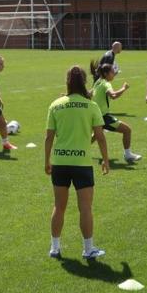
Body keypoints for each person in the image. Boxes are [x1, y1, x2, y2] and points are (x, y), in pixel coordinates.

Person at [44, 65, 110, 260]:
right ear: (84, 82)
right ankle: (88, 249)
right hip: (82, 163)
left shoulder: (56, 104)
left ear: (67, 82)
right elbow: (100, 137)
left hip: (60, 162)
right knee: (85, 208)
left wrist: (47, 161)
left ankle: (55, 248)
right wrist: (105, 160)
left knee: (59, 206)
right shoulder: (91, 106)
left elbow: (48, 137)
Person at [91, 62, 141, 163]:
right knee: (127, 130)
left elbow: (89, 93)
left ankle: (81, 149)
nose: (114, 74)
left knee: (96, 135)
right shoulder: (106, 84)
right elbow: (113, 96)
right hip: (103, 117)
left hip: (95, 115)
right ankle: (128, 155)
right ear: (106, 74)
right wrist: (124, 88)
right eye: (112, 72)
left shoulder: (98, 81)